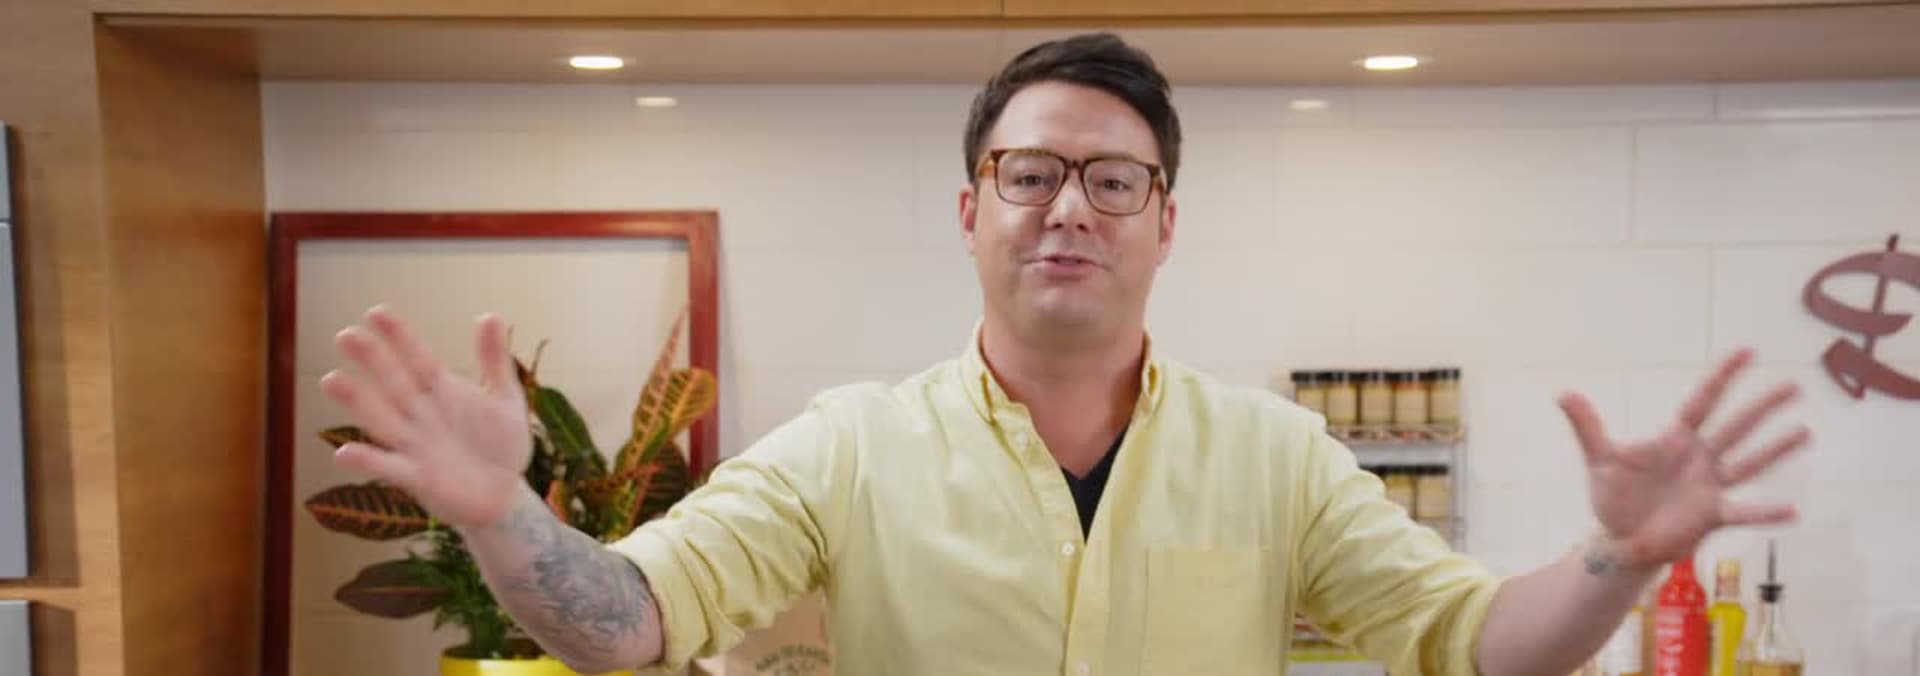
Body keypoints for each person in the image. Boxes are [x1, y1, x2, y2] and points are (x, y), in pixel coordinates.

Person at [318, 32, 1811, 676]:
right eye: (1029, 174)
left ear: (1167, 221)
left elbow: (1479, 645)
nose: (1070, 209)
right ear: (971, 211)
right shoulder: (850, 445)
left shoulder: (1278, 456)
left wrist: (1619, 559)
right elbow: (632, 621)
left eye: (1114, 179)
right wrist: (499, 517)